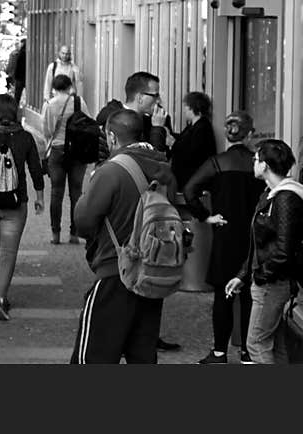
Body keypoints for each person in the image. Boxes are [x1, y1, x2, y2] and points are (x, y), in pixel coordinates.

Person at [70, 109, 177, 363]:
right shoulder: (163, 170)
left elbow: (83, 222)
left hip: (115, 270)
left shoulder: (111, 172)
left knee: (93, 356)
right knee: (142, 355)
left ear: (111, 137)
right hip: (152, 274)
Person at [184, 111, 263, 364]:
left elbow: (189, 190)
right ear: (250, 134)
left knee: (223, 294)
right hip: (254, 235)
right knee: (251, 295)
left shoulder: (217, 162)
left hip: (225, 233)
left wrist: (205, 216)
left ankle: (219, 352)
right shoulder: (259, 164)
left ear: (228, 136)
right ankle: (248, 353)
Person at [225, 139, 303, 364]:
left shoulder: (285, 198)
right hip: (271, 281)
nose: (253, 163)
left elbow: (283, 249)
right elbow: (260, 243)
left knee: (257, 344)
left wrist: (260, 276)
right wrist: (243, 275)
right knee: (274, 345)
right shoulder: (271, 195)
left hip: (272, 283)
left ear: (265, 166)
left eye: (256, 159)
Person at [0, 94, 45, 320]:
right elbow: (35, 169)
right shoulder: (25, 137)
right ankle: (0, 298)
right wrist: (39, 196)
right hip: (15, 202)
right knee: (8, 253)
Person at [43, 74, 91, 245]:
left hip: (57, 150)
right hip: (77, 151)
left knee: (56, 192)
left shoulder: (49, 105)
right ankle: (74, 234)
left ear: (54, 88)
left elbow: (47, 130)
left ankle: (55, 234)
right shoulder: (79, 102)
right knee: (76, 193)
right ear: (70, 86)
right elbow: (88, 123)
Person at [95, 71, 172, 156]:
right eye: (155, 96)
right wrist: (157, 129)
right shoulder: (114, 122)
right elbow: (151, 161)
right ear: (140, 98)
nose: (158, 100)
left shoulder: (154, 120)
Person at [170, 91, 217, 189]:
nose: (184, 110)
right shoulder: (194, 126)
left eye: (186, 107)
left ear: (193, 108)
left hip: (192, 178)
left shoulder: (203, 127)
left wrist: (173, 143)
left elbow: (192, 152)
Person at [5, 39, 27, 104]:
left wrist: (8, 72)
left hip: (18, 77)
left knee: (17, 95)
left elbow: (12, 65)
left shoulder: (15, 54)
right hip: (25, 77)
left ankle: (15, 108)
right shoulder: (28, 53)